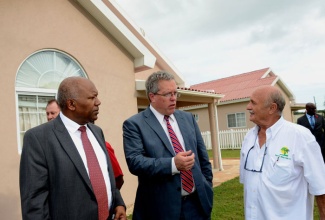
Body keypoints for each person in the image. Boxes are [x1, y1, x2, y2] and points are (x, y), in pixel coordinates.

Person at [20, 76, 126, 220]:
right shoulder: (38, 139)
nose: (98, 102)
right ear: (71, 104)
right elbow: (34, 203)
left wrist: (118, 203)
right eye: (92, 97)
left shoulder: (97, 132)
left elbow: (105, 175)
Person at [123, 71, 213, 220]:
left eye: (175, 93)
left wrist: (207, 185)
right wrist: (172, 164)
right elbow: (135, 162)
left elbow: (202, 156)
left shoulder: (187, 118)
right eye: (167, 94)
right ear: (152, 96)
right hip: (161, 209)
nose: (173, 99)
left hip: (196, 204)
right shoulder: (134, 124)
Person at [240, 85, 325, 219]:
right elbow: (250, 184)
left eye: (253, 103)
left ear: (272, 108)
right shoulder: (248, 138)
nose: (248, 107)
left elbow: (321, 187)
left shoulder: (300, 136)